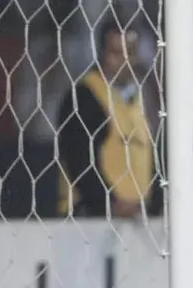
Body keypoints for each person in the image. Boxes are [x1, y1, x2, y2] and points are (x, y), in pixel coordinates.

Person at [57, 22, 154, 218]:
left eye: (131, 53)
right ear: (102, 53)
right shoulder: (85, 95)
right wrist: (108, 203)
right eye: (117, 53)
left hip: (137, 216)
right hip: (91, 216)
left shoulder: (142, 98)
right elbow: (78, 158)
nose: (125, 61)